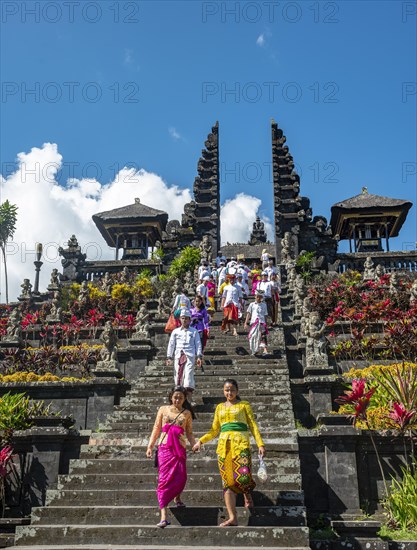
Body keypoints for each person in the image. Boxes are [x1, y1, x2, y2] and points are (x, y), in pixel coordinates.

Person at [192, 379, 265, 527]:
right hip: (224, 448)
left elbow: (253, 426)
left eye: (232, 390)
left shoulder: (244, 405)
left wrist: (260, 444)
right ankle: (233, 518)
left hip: (241, 445)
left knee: (243, 477)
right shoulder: (219, 407)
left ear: (237, 391)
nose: (229, 393)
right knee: (228, 483)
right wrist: (200, 441)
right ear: (223, 391)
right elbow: (214, 430)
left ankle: (247, 493)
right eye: (226, 390)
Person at [146, 386, 196, 528]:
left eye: (180, 397)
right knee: (163, 480)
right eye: (175, 397)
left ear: (184, 398)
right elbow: (156, 428)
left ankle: (177, 498)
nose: (177, 400)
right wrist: (150, 446)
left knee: (181, 476)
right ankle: (163, 516)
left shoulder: (186, 413)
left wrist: (194, 444)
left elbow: (189, 433)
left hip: (179, 448)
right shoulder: (163, 410)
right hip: (165, 448)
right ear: (170, 397)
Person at [166, 309, 203, 403]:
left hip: (190, 356)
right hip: (178, 355)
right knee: (178, 376)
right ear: (180, 319)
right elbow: (171, 344)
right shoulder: (175, 331)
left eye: (186, 318)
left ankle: (189, 398)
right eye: (183, 318)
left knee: (189, 375)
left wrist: (199, 356)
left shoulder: (194, 332)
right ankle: (178, 399)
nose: (184, 320)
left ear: (190, 320)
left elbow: (198, 344)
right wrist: (169, 357)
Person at [244, 289, 269, 355]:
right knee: (253, 336)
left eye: (260, 297)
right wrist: (246, 323)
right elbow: (248, 314)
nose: (258, 298)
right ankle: (255, 349)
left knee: (263, 335)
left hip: (261, 322)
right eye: (257, 296)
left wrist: (266, 323)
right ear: (255, 296)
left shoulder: (264, 305)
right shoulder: (252, 304)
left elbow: (265, 315)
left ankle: (265, 349)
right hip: (253, 322)